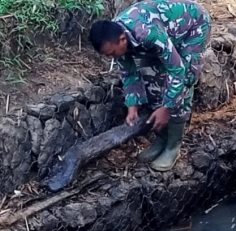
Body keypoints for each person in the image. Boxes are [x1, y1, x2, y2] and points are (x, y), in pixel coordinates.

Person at [88, 0, 211, 171]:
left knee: (186, 77)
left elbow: (177, 71)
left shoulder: (147, 33)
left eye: (112, 54)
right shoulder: (116, 39)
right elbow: (130, 74)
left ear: (122, 39)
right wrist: (132, 106)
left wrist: (166, 109)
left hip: (192, 26)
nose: (112, 58)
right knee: (152, 78)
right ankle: (162, 138)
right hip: (165, 32)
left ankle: (173, 146)